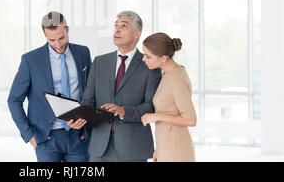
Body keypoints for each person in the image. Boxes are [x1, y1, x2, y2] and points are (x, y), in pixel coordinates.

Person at [68, 11, 162, 162]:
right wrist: (79, 117)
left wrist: (124, 111)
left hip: (132, 148)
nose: (117, 30)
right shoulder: (99, 62)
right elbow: (88, 100)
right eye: (115, 26)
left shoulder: (150, 66)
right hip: (99, 148)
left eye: (123, 26)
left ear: (137, 34)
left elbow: (151, 106)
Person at [7, 11, 92, 162]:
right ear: (45, 35)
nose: (58, 45)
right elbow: (14, 99)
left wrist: (87, 122)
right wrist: (29, 135)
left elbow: (91, 91)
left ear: (67, 29)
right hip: (46, 137)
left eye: (61, 38)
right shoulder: (31, 60)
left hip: (78, 136)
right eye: (52, 40)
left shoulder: (83, 53)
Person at [140, 32, 197, 162]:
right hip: (167, 147)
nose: (143, 59)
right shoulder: (167, 74)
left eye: (148, 56)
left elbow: (191, 119)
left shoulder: (177, 79)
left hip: (176, 150)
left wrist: (156, 116)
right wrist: (160, 149)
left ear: (163, 58)